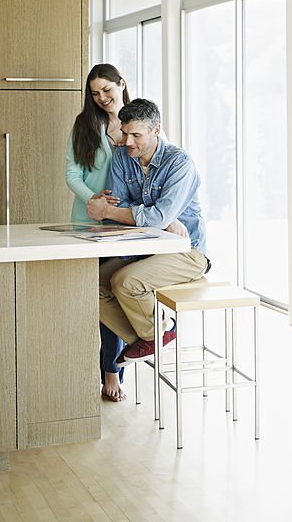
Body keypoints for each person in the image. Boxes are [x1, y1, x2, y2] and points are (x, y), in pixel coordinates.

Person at [87, 98, 209, 366]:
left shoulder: (180, 163)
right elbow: (126, 207)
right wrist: (153, 217)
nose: (128, 141)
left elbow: (153, 216)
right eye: (125, 132)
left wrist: (119, 212)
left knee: (125, 282)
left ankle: (154, 334)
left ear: (156, 130)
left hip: (187, 252)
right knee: (90, 284)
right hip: (144, 249)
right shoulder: (121, 157)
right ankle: (153, 336)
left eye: (136, 135)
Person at [65, 64, 133, 402]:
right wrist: (91, 198)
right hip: (87, 224)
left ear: (121, 84)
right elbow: (71, 173)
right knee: (91, 299)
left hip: (122, 227)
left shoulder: (135, 122)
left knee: (111, 298)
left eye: (106, 90)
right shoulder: (85, 124)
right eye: (95, 93)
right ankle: (87, 365)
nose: (102, 98)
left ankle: (111, 370)